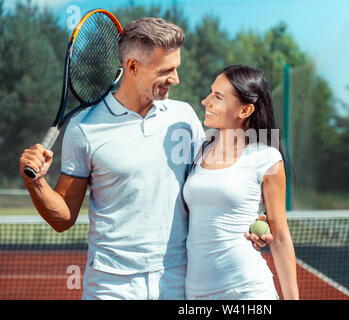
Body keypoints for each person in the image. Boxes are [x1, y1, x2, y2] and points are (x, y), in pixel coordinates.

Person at [18, 17, 268, 300]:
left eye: (177, 68)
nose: (176, 79)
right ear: (133, 67)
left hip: (177, 277)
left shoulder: (184, 117)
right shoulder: (84, 128)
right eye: (167, 70)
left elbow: (213, 183)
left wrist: (250, 219)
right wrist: (36, 185)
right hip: (110, 285)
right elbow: (63, 218)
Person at [183, 65, 299, 300]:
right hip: (195, 294)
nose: (206, 101)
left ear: (245, 109)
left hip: (246, 291)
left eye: (218, 97)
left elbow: (280, 237)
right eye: (210, 93)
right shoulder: (197, 151)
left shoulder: (266, 158)